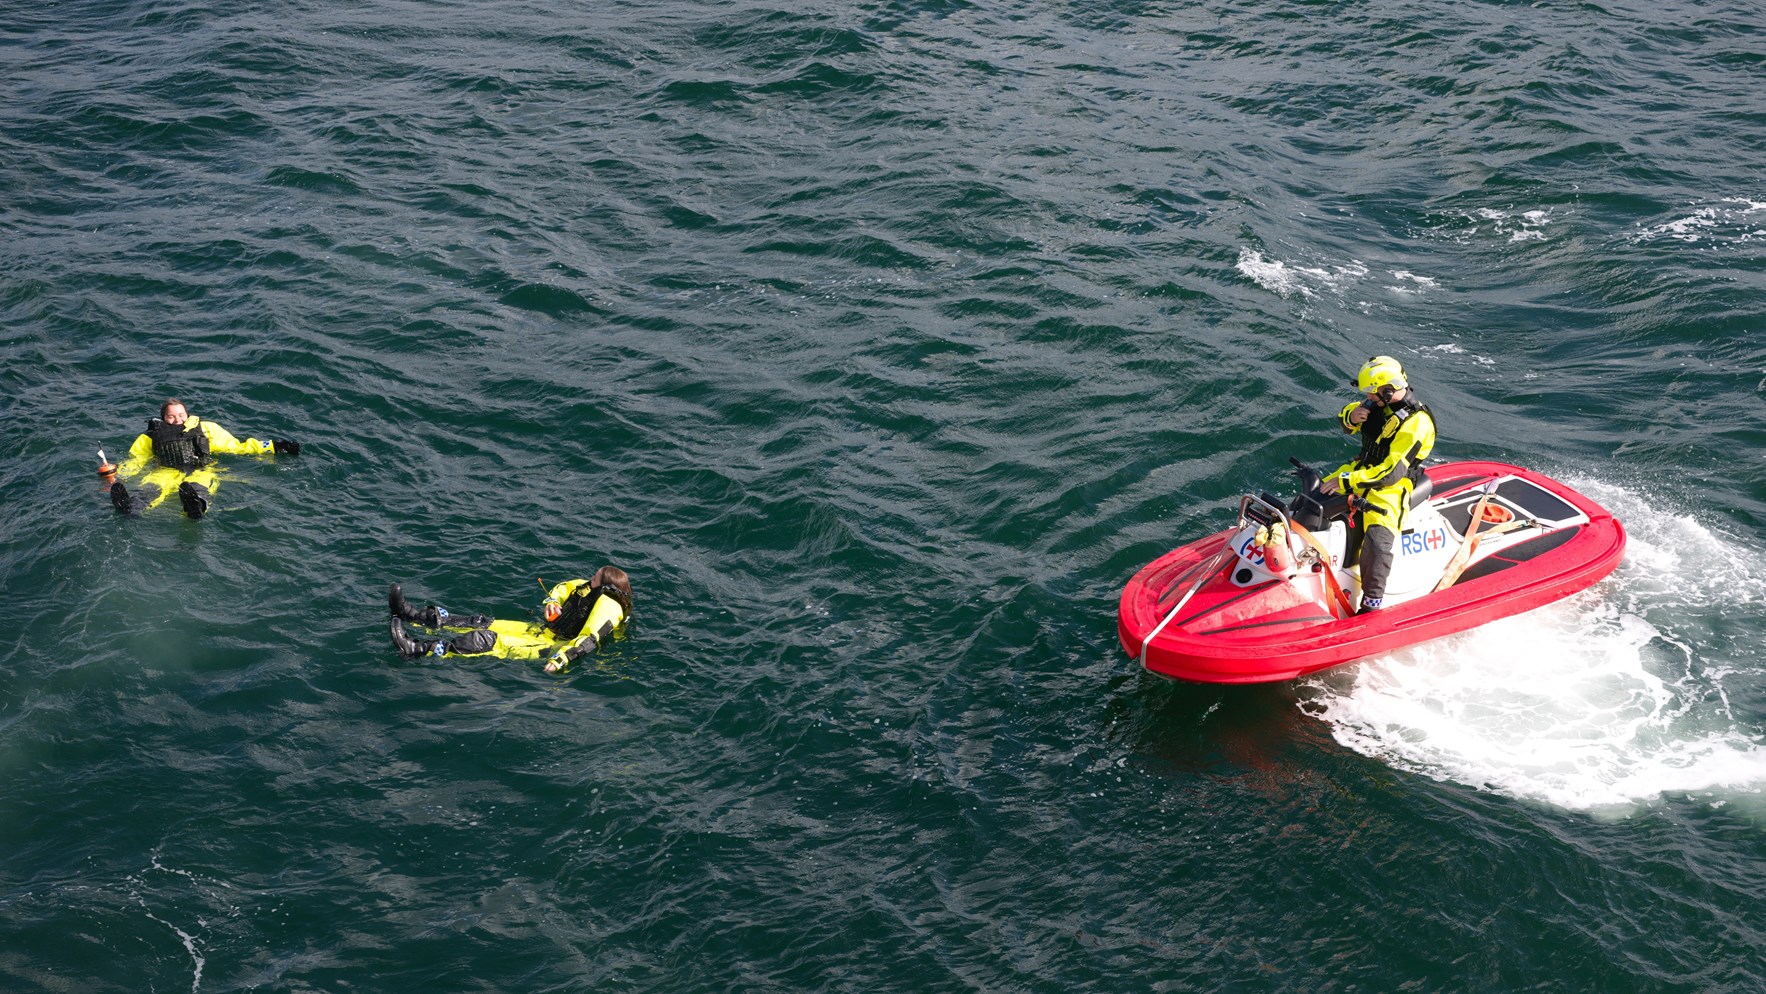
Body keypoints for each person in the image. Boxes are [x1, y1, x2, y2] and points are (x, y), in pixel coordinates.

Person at [1319, 355, 1437, 613]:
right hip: (1360, 470)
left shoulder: (1417, 423)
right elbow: (1345, 420)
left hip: (1390, 489)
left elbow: (1392, 473)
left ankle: (1371, 603)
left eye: (1373, 393)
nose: (1369, 398)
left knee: (1377, 542)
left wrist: (1346, 481)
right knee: (1315, 500)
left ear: (1388, 389)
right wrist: (1351, 416)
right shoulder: (1377, 403)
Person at [388, 567, 633, 674]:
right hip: (540, 630)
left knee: (486, 640)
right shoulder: (587, 587)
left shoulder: (609, 605)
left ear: (605, 586)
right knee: (480, 622)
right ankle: (414, 616)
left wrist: (562, 659)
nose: (590, 577)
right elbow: (562, 588)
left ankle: (418, 650)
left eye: (595, 576)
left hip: (550, 647)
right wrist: (552, 603)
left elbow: (589, 639)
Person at [107, 398, 301, 518]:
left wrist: (274, 446)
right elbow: (137, 460)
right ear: (163, 418)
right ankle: (131, 509)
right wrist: (116, 473)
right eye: (171, 416)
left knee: (198, 488)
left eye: (181, 415)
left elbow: (237, 447)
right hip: (164, 471)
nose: (177, 420)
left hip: (200, 469)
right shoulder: (150, 436)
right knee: (150, 489)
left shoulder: (207, 429)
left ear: (187, 414)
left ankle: (195, 507)